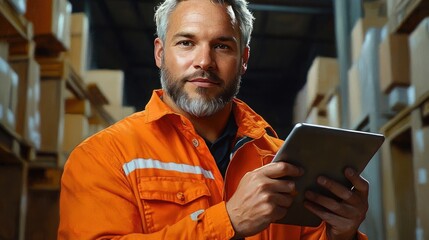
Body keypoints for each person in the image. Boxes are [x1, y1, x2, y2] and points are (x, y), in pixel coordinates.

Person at [58, 0, 370, 239]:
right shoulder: (104, 156)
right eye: (186, 43)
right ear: (159, 53)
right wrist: (228, 222)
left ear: (244, 60)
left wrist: (341, 234)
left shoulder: (281, 157)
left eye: (221, 45)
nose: (204, 61)